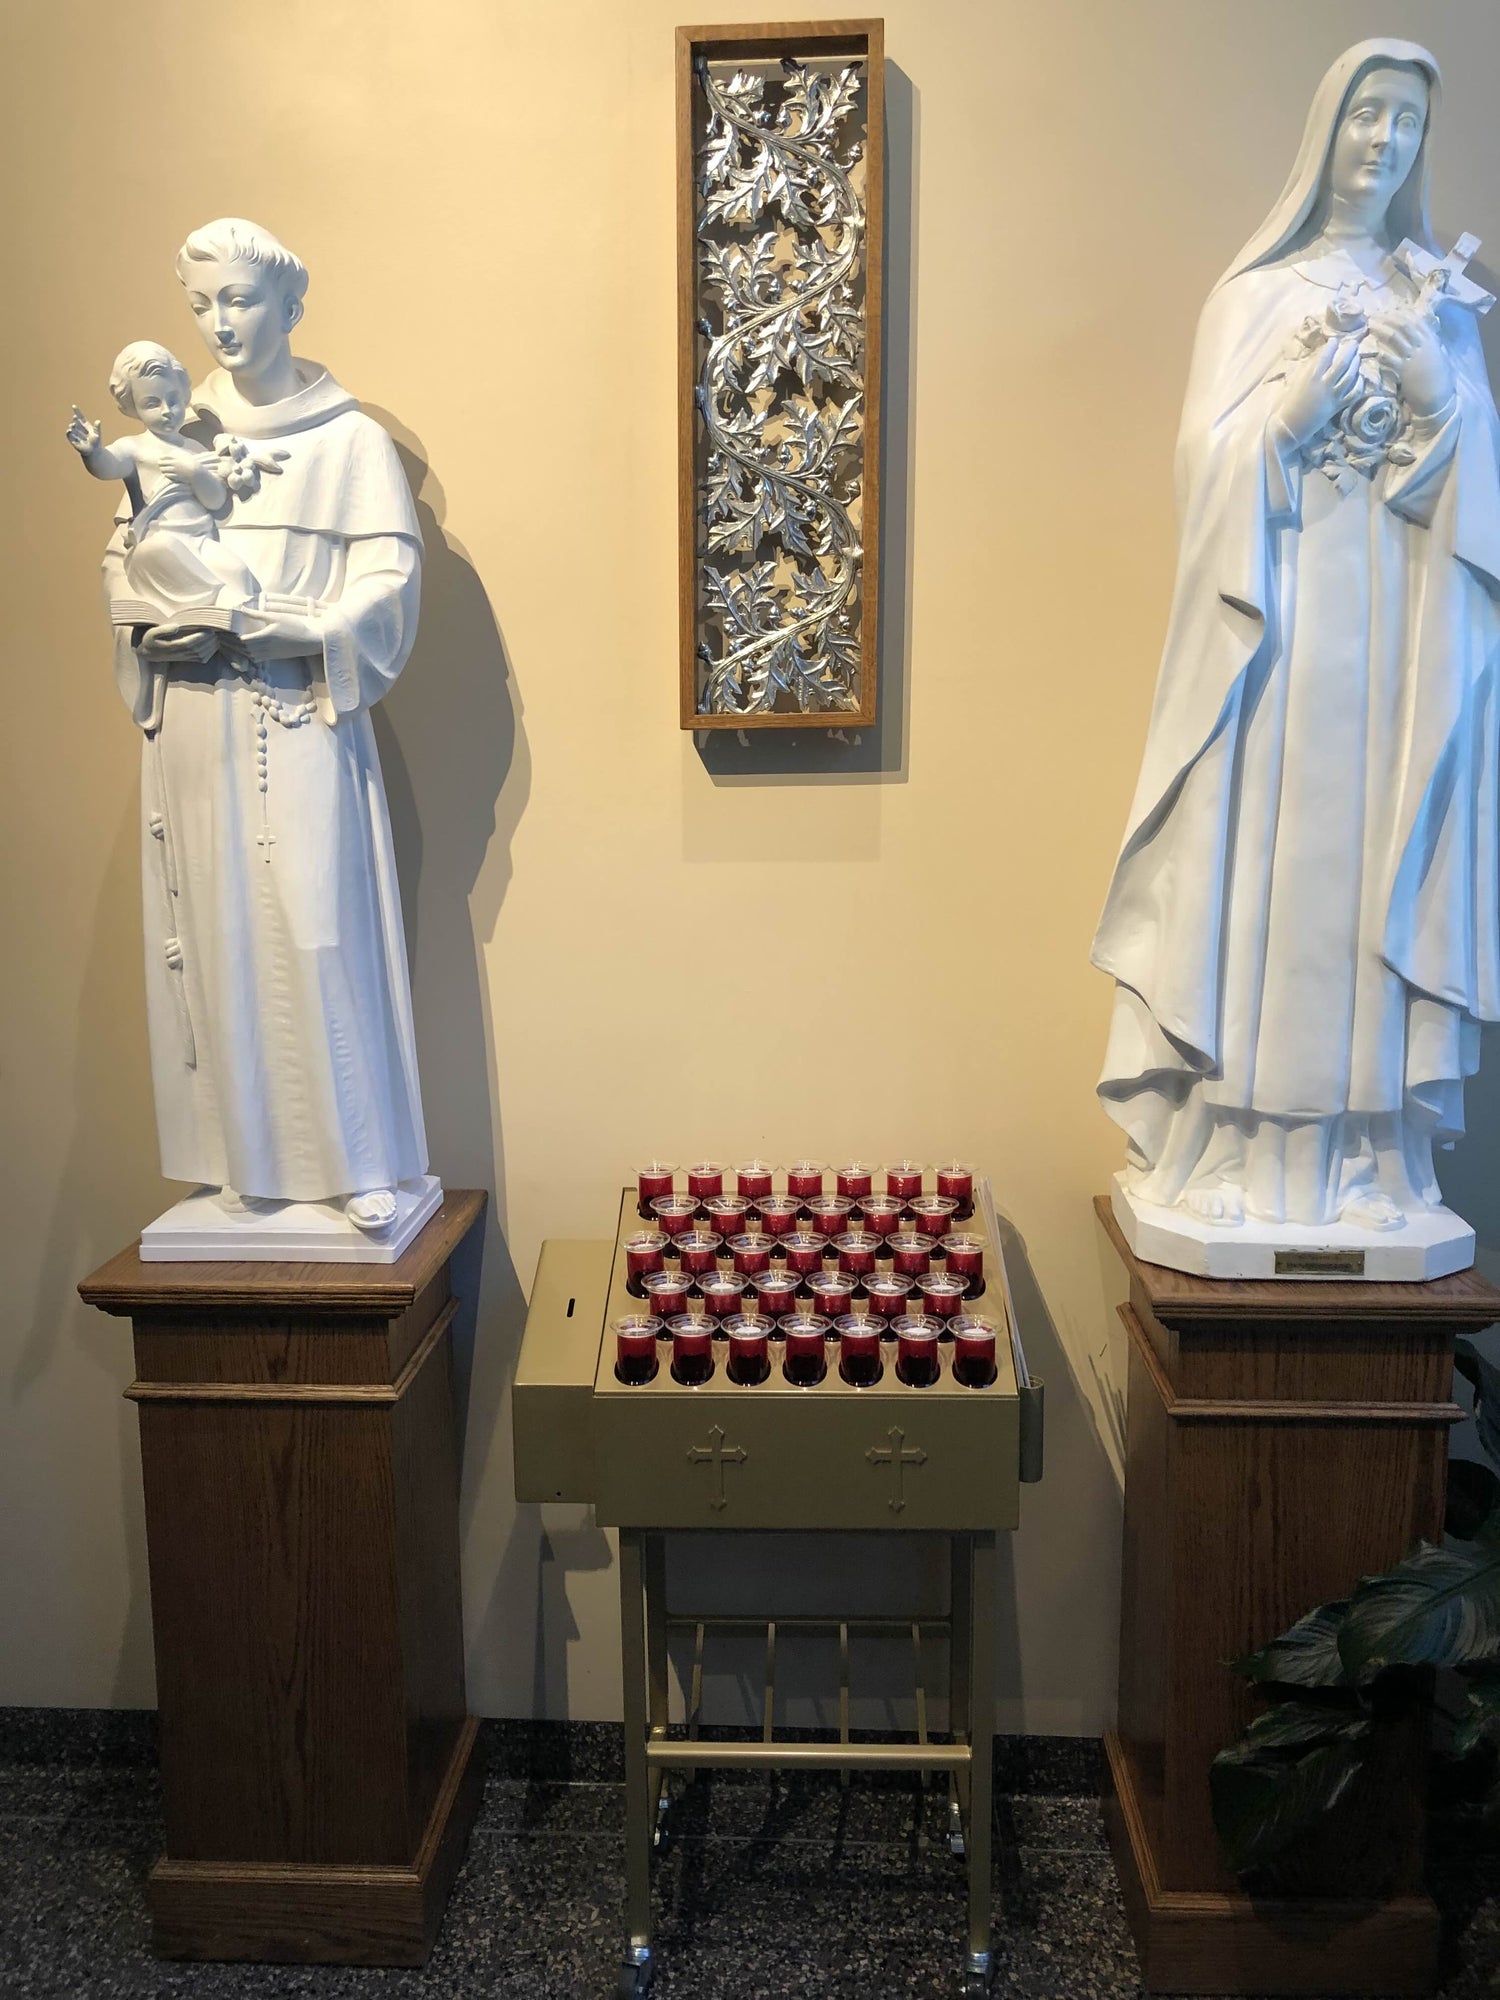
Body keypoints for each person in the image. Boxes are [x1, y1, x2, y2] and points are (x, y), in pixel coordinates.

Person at [1092, 40, 1500, 1234]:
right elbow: (1202, 469)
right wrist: (1286, 417)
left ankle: (1367, 1163)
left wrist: (1438, 395)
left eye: (1407, 123)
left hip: (1394, 652)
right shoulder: (1255, 295)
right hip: (1276, 636)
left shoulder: (1443, 306)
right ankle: (1231, 1146)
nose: (1385, 141)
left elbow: (1479, 509)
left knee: (1372, 876)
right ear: (1329, 127)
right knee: (1258, 872)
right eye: (1369, 114)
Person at [101, 218, 432, 1234]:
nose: (219, 323)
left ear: (290, 304)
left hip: (298, 713)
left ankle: (358, 1157)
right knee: (218, 931)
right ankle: (242, 1162)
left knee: (319, 928)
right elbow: (127, 556)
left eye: (239, 299)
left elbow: (388, 584)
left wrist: (304, 629)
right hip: (198, 719)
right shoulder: (171, 436)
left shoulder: (349, 442)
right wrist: (149, 631)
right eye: (201, 304)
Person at [67, 341, 264, 656]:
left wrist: (194, 472)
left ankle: (240, 633)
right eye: (152, 403)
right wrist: (92, 453)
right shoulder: (134, 448)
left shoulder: (194, 450)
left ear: (184, 393)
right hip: (159, 543)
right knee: (159, 550)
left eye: (173, 399)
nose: (167, 411)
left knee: (236, 571)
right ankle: (215, 605)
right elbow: (108, 467)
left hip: (199, 542)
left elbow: (215, 500)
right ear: (132, 407)